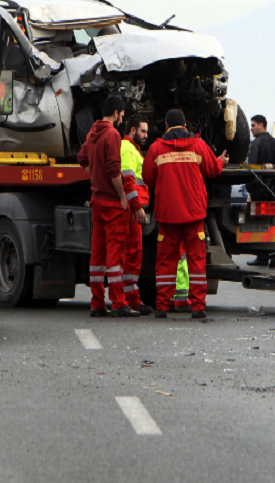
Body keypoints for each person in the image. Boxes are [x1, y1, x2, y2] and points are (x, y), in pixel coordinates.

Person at [143, 109, 228, 318]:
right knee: (196, 261)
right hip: (193, 214)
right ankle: (198, 308)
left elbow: (147, 177)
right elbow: (212, 170)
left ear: (165, 126)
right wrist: (220, 162)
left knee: (165, 261)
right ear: (185, 126)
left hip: (168, 215)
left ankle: (162, 307)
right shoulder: (198, 145)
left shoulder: (156, 149)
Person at [77, 97, 147, 317]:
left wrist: (94, 175)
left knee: (97, 255)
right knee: (116, 256)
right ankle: (118, 302)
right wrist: (123, 196)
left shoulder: (92, 133)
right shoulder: (112, 134)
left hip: (97, 201)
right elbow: (115, 170)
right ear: (116, 113)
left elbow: (82, 159)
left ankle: (97, 302)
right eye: (122, 115)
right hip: (113, 204)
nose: (122, 119)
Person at [120, 115, 154, 315]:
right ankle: (129, 300)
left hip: (133, 209)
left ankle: (132, 299)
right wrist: (137, 207)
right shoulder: (127, 149)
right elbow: (128, 180)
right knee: (131, 254)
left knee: (134, 254)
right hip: (132, 210)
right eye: (143, 131)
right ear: (132, 130)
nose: (146, 135)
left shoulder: (132, 149)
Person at [246, 115, 275, 265]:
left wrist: (250, 188)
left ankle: (262, 256)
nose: (251, 128)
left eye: (253, 125)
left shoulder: (255, 144)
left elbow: (251, 168)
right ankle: (274, 253)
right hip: (273, 189)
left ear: (261, 125)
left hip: (259, 190)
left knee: (261, 223)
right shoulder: (274, 143)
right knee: (273, 222)